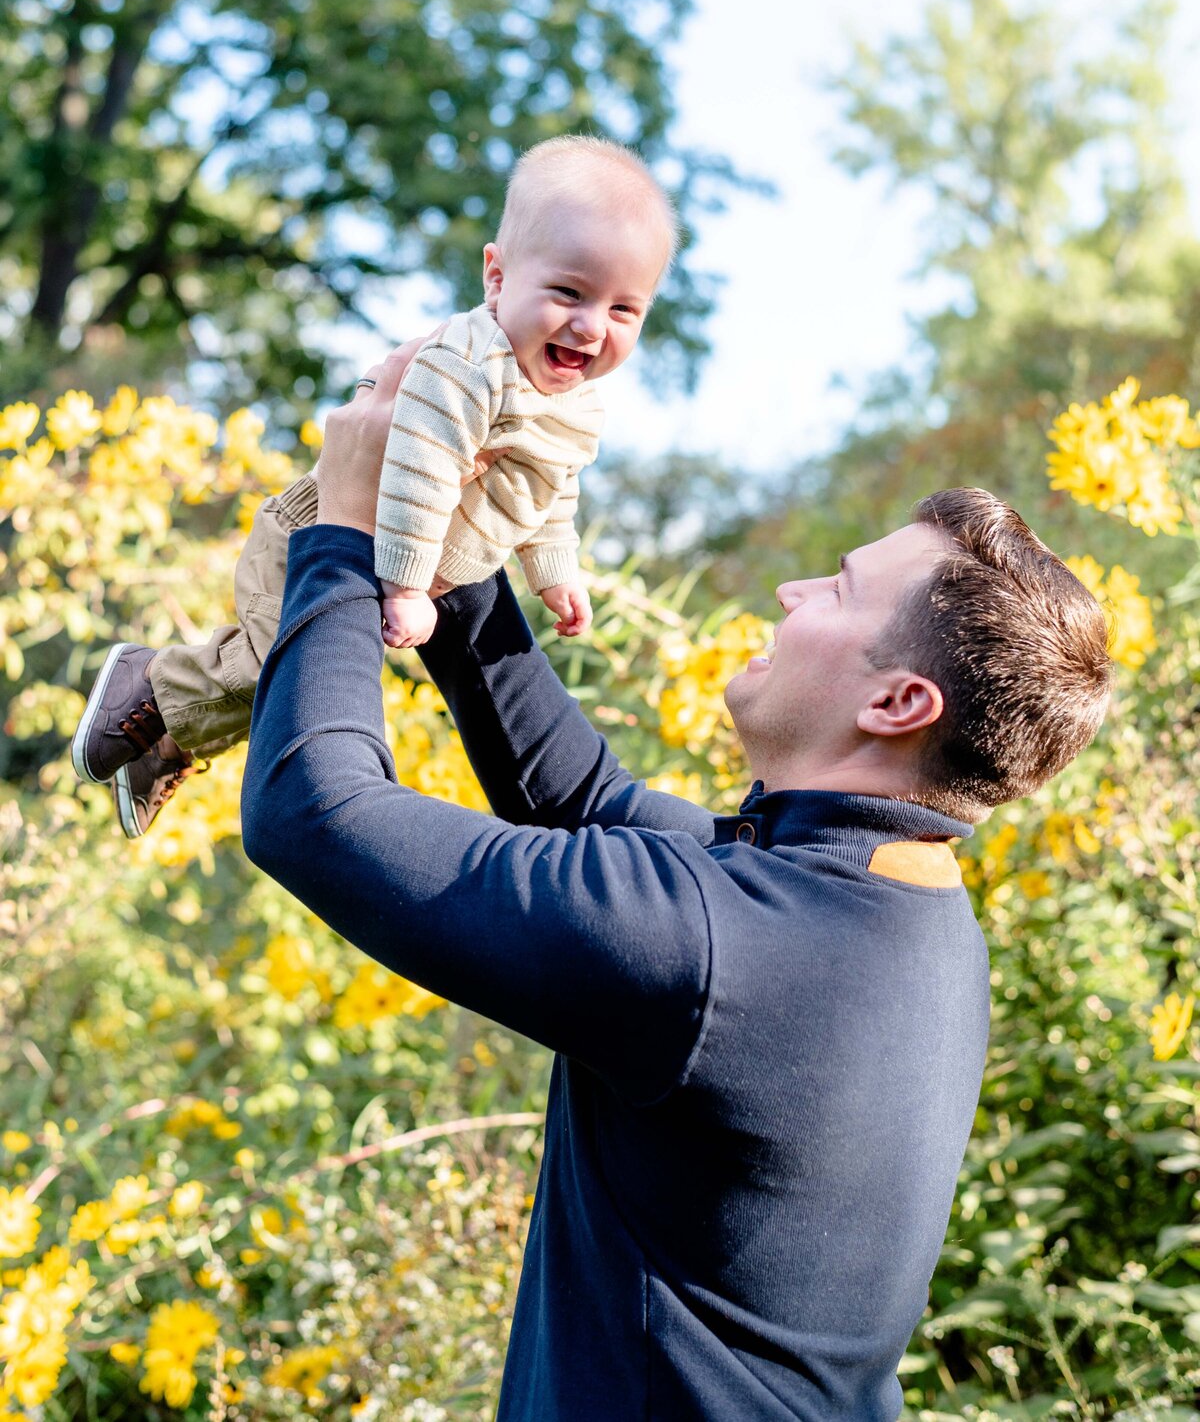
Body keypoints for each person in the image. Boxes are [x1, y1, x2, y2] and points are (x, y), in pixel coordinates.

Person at [236, 351, 1112, 1422]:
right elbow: (583, 794)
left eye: (835, 590)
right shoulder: (897, 907)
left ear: (897, 701)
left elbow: (315, 813)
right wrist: (449, 553)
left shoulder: (720, 942)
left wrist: (346, 520)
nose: (792, 591)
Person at [71, 135, 676, 837]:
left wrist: (554, 571)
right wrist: (412, 589)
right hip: (332, 529)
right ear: (499, 277)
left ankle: (168, 740)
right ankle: (145, 687)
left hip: (390, 563)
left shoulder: (573, 400)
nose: (590, 325)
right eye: (568, 292)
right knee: (289, 666)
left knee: (281, 680)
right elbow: (421, 470)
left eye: (623, 310)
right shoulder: (470, 364)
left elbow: (550, 490)